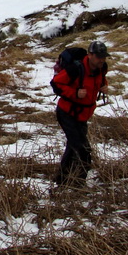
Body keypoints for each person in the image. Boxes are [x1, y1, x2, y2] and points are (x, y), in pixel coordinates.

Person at [50, 40, 110, 190]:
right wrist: (75, 93)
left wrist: (104, 86)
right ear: (90, 55)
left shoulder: (102, 68)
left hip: (83, 114)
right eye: (98, 56)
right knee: (83, 150)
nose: (101, 59)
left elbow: (98, 80)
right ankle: (78, 184)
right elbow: (56, 84)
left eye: (104, 56)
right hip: (67, 113)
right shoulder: (75, 69)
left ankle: (62, 180)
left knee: (73, 147)